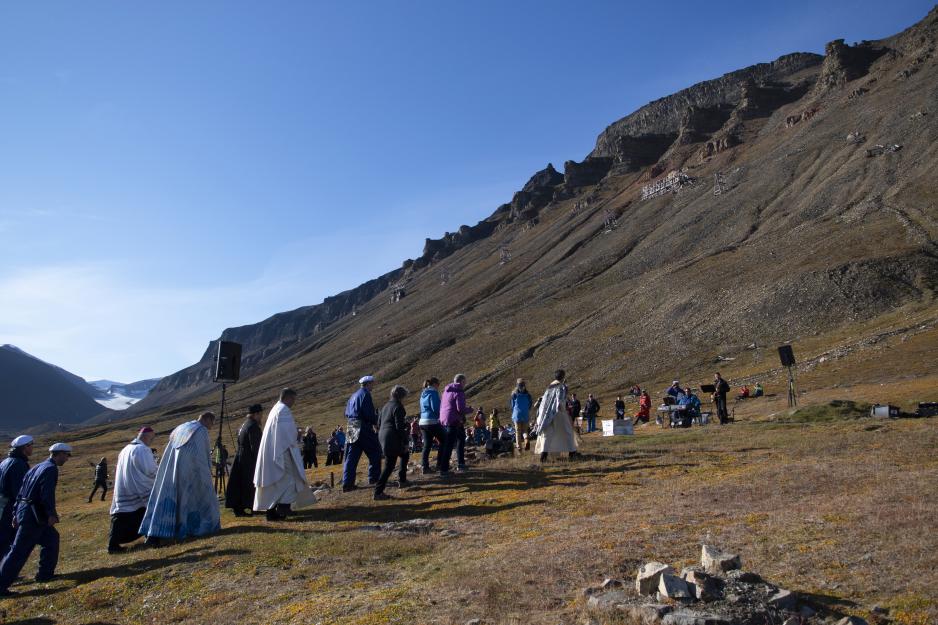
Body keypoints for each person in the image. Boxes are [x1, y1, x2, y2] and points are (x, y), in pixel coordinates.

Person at [0, 442, 71, 595]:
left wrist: (15, 513)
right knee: (19, 550)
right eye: (66, 455)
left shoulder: (37, 467)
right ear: (58, 454)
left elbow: (20, 493)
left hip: (26, 511)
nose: (67, 458)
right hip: (33, 515)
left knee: (51, 538)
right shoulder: (51, 469)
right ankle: (1, 585)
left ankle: (45, 574)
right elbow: (47, 494)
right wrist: (51, 514)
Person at [139, 412, 220, 545]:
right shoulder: (200, 430)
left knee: (170, 499)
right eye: (212, 423)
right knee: (193, 499)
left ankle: (156, 533)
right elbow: (202, 454)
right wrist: (206, 470)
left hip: (172, 470)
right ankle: (195, 527)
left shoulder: (183, 427)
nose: (211, 427)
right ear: (206, 419)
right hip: (190, 472)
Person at [254, 389, 313, 521]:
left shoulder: (275, 409)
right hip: (282, 451)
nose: (293, 402)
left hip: (273, 450)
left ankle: (271, 511)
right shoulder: (283, 410)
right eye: (293, 399)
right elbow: (287, 434)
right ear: (287, 398)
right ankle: (283, 506)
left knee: (275, 482)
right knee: (289, 478)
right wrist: (297, 433)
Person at [108, 427, 159, 553]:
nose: (151, 441)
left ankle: (113, 544)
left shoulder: (126, 449)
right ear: (147, 437)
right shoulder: (142, 449)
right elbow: (150, 470)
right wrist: (159, 471)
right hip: (140, 487)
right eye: (151, 438)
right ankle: (152, 538)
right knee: (151, 510)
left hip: (125, 487)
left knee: (122, 515)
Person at [342, 376, 382, 492]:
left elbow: (346, 412)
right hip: (362, 426)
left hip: (351, 425)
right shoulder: (365, 395)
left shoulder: (353, 396)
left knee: (351, 456)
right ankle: (374, 478)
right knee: (375, 451)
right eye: (372, 383)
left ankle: (347, 483)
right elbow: (369, 413)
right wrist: (376, 421)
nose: (373, 385)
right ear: (368, 384)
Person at [225, 404, 263, 517]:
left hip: (240, 457)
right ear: (256, 414)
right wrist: (259, 460)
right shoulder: (253, 427)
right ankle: (253, 506)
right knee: (250, 483)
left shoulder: (244, 425)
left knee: (240, 483)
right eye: (260, 414)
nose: (261, 417)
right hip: (249, 460)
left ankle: (239, 507)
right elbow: (255, 446)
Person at [374, 385, 411, 500]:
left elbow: (380, 423)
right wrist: (405, 442)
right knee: (389, 465)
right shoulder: (398, 407)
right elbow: (399, 427)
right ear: (402, 396)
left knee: (404, 454)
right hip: (392, 437)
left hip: (383, 436)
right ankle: (378, 492)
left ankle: (403, 480)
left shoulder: (385, 406)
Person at [533, 370, 578, 462]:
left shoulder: (549, 387)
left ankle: (544, 455)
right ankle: (572, 452)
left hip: (545, 415)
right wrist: (564, 411)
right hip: (558, 413)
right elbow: (560, 401)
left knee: (547, 434)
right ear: (563, 377)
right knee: (567, 431)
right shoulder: (561, 387)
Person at [0, 436, 33, 557]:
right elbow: (19, 491)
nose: (32, 448)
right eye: (31, 445)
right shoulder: (19, 464)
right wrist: (17, 512)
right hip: (9, 506)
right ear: (25, 447)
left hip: (2, 504)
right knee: (8, 538)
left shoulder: (6, 461)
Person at [439, 374, 474, 475]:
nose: (465, 384)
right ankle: (444, 470)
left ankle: (461, 463)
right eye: (465, 382)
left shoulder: (446, 390)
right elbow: (460, 409)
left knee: (460, 438)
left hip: (445, 419)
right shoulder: (459, 391)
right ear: (461, 381)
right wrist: (469, 410)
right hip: (453, 420)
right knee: (450, 444)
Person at [510, 379, 533, 452]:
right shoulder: (528, 395)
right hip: (525, 414)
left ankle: (519, 448)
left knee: (517, 432)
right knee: (525, 430)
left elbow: (512, 405)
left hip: (517, 415)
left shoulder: (514, 394)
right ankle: (526, 439)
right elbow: (530, 405)